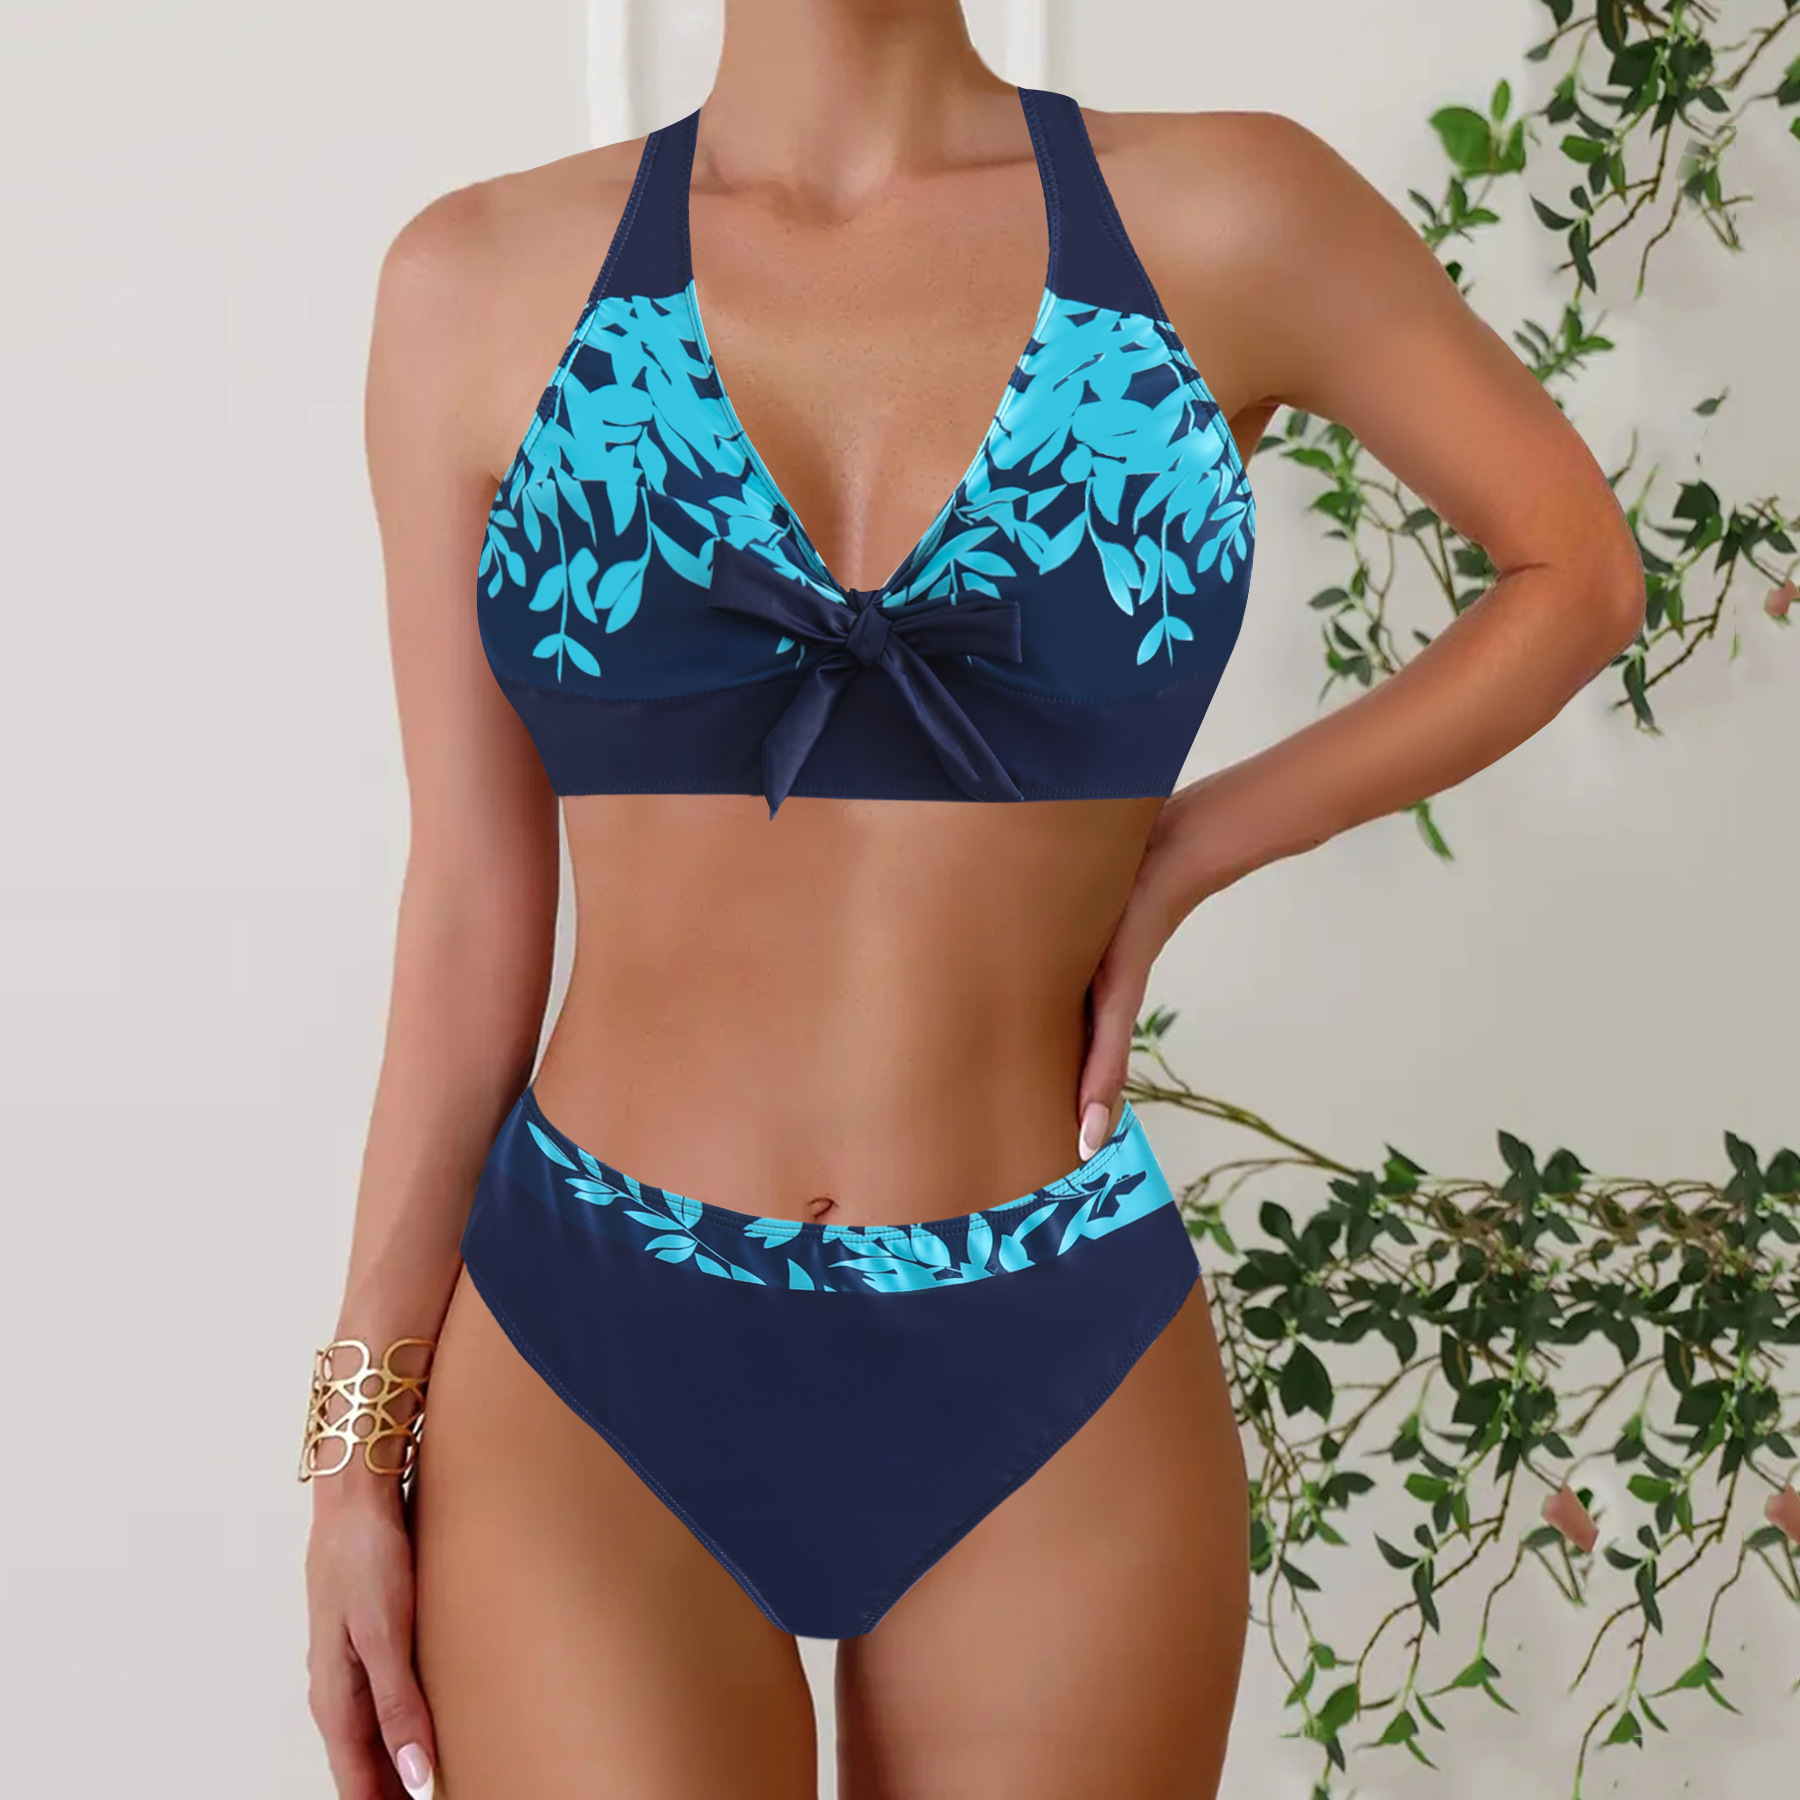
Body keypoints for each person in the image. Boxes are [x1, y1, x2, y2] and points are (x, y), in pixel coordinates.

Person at [300, 7, 1646, 1798]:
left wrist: (1190, 849)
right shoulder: (472, 280)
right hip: (585, 1346)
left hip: (1050, 1340)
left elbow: (1576, 572)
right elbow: (473, 912)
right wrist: (351, 1447)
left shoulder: (1230, 211)